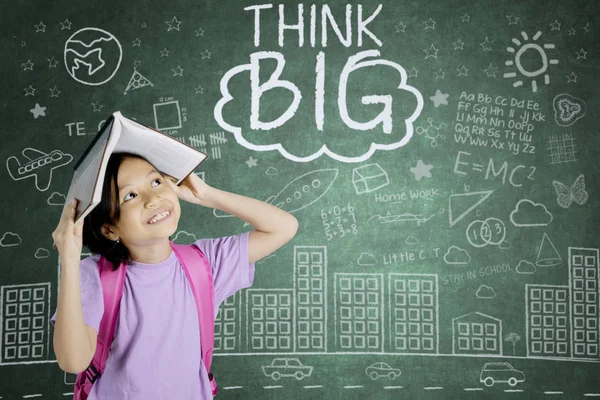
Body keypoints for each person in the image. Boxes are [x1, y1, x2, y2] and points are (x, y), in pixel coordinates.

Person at [50, 152, 298, 399]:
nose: (153, 199)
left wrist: (208, 195)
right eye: (130, 195)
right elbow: (73, 362)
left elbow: (283, 227)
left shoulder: (205, 263)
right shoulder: (93, 275)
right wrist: (70, 260)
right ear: (109, 229)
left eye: (156, 182)